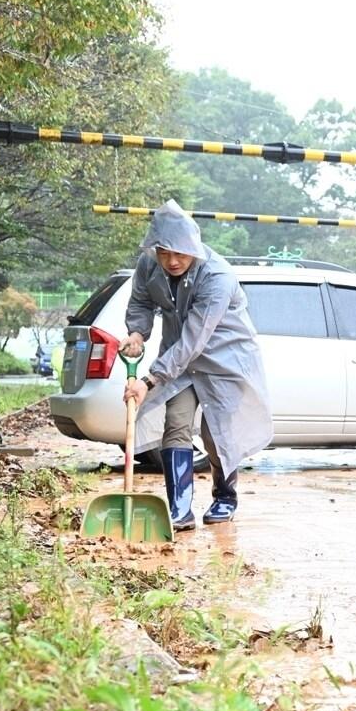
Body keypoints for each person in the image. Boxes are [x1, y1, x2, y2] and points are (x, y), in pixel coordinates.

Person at [121, 199, 272, 530]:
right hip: (180, 363)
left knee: (217, 434)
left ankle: (225, 496)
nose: (172, 261)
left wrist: (148, 381)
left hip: (224, 360)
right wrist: (137, 332)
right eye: (164, 253)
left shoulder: (217, 277)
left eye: (180, 253)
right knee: (175, 424)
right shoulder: (149, 264)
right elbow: (141, 301)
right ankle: (180, 509)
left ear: (194, 247)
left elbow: (194, 339)